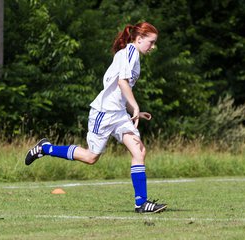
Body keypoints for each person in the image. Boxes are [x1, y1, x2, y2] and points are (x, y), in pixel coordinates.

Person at [25, 22, 167, 213]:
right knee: (91, 157)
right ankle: (45, 148)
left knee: (139, 151)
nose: (153, 47)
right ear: (139, 39)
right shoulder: (130, 52)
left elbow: (120, 90)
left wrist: (132, 110)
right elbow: (122, 82)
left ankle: (141, 203)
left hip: (119, 114)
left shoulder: (133, 57)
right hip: (104, 113)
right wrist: (135, 106)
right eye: (151, 42)